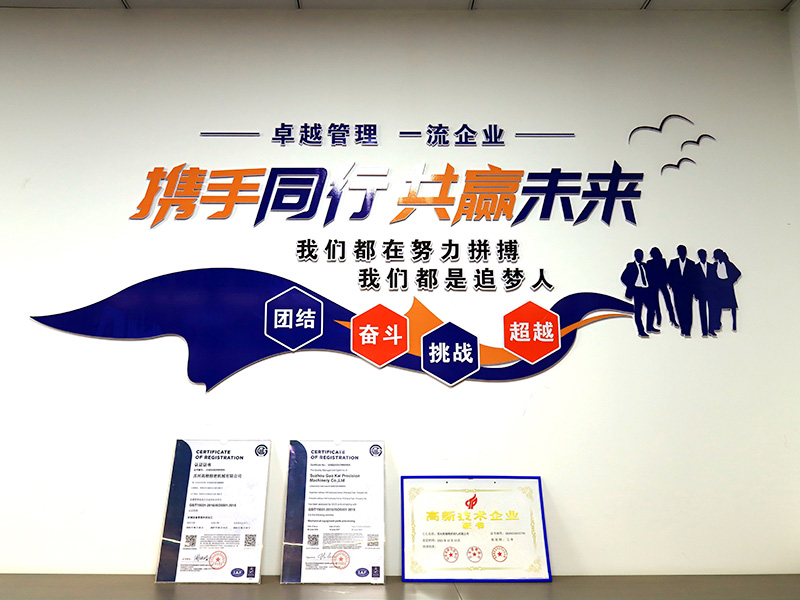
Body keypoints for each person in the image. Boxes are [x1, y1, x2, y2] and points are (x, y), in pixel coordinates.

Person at [621, 249, 657, 338]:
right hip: (637, 290)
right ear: (635, 256)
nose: (640, 257)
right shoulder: (631, 266)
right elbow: (623, 277)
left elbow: (650, 277)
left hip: (646, 290)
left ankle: (649, 327)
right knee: (638, 312)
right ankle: (641, 331)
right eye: (638, 255)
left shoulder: (645, 266)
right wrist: (631, 286)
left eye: (641, 255)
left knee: (651, 308)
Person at [710, 249, 741, 333]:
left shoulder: (728, 264)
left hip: (727, 286)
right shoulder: (715, 265)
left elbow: (738, 273)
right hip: (719, 287)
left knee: (732, 306)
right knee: (718, 306)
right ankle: (717, 324)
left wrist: (731, 281)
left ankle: (734, 324)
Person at [667, 245, 695, 337]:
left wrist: (693, 290)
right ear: (678, 253)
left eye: (683, 251)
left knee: (688, 310)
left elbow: (695, 278)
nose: (682, 253)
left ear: (686, 252)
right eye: (680, 251)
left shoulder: (691, 263)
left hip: (688, 291)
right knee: (679, 309)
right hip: (677, 290)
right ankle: (683, 328)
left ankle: (688, 330)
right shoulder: (673, 262)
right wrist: (672, 285)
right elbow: (668, 275)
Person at [646, 247, 677, 328]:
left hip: (660, 283)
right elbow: (649, 275)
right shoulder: (654, 262)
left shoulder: (660, 261)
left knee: (666, 302)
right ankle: (661, 318)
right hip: (656, 284)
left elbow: (664, 272)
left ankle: (671, 319)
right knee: (659, 303)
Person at [694, 249, 717, 337]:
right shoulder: (695, 268)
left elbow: (715, 280)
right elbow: (694, 282)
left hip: (711, 292)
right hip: (701, 293)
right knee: (702, 312)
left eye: (704, 255)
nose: (703, 257)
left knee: (712, 311)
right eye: (701, 255)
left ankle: (711, 330)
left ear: (706, 255)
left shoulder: (711, 267)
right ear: (699, 256)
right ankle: (704, 331)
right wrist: (696, 293)